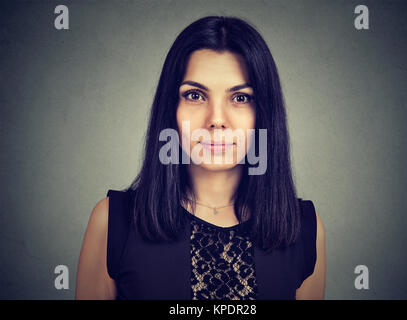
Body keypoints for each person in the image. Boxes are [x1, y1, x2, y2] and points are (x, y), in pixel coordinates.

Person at [75, 16, 325, 300]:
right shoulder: (111, 221)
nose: (216, 120)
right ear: (171, 109)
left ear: (264, 114)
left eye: (241, 98)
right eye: (195, 95)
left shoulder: (305, 228)